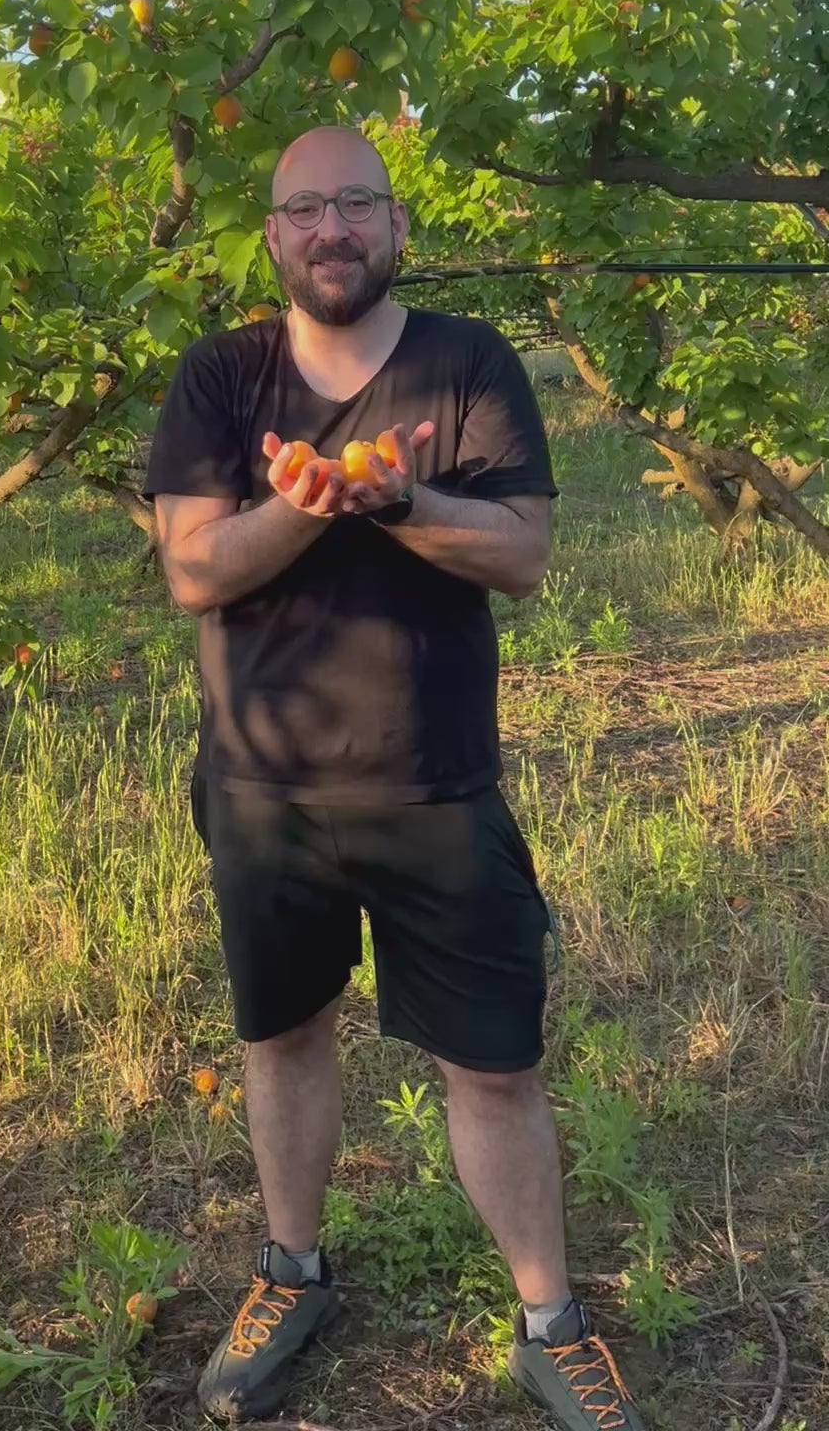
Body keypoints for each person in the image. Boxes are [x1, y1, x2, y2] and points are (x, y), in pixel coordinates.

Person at [144, 126, 646, 1430]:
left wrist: (401, 500)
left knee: (495, 1066)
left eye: (357, 204)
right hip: (264, 791)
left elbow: (522, 553)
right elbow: (193, 569)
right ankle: (291, 1274)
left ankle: (552, 1323)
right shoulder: (222, 376)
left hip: (436, 786)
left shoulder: (467, 362)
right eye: (307, 209)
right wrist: (309, 501)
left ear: (396, 224)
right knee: (282, 1040)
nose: (333, 230)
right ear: (273, 235)